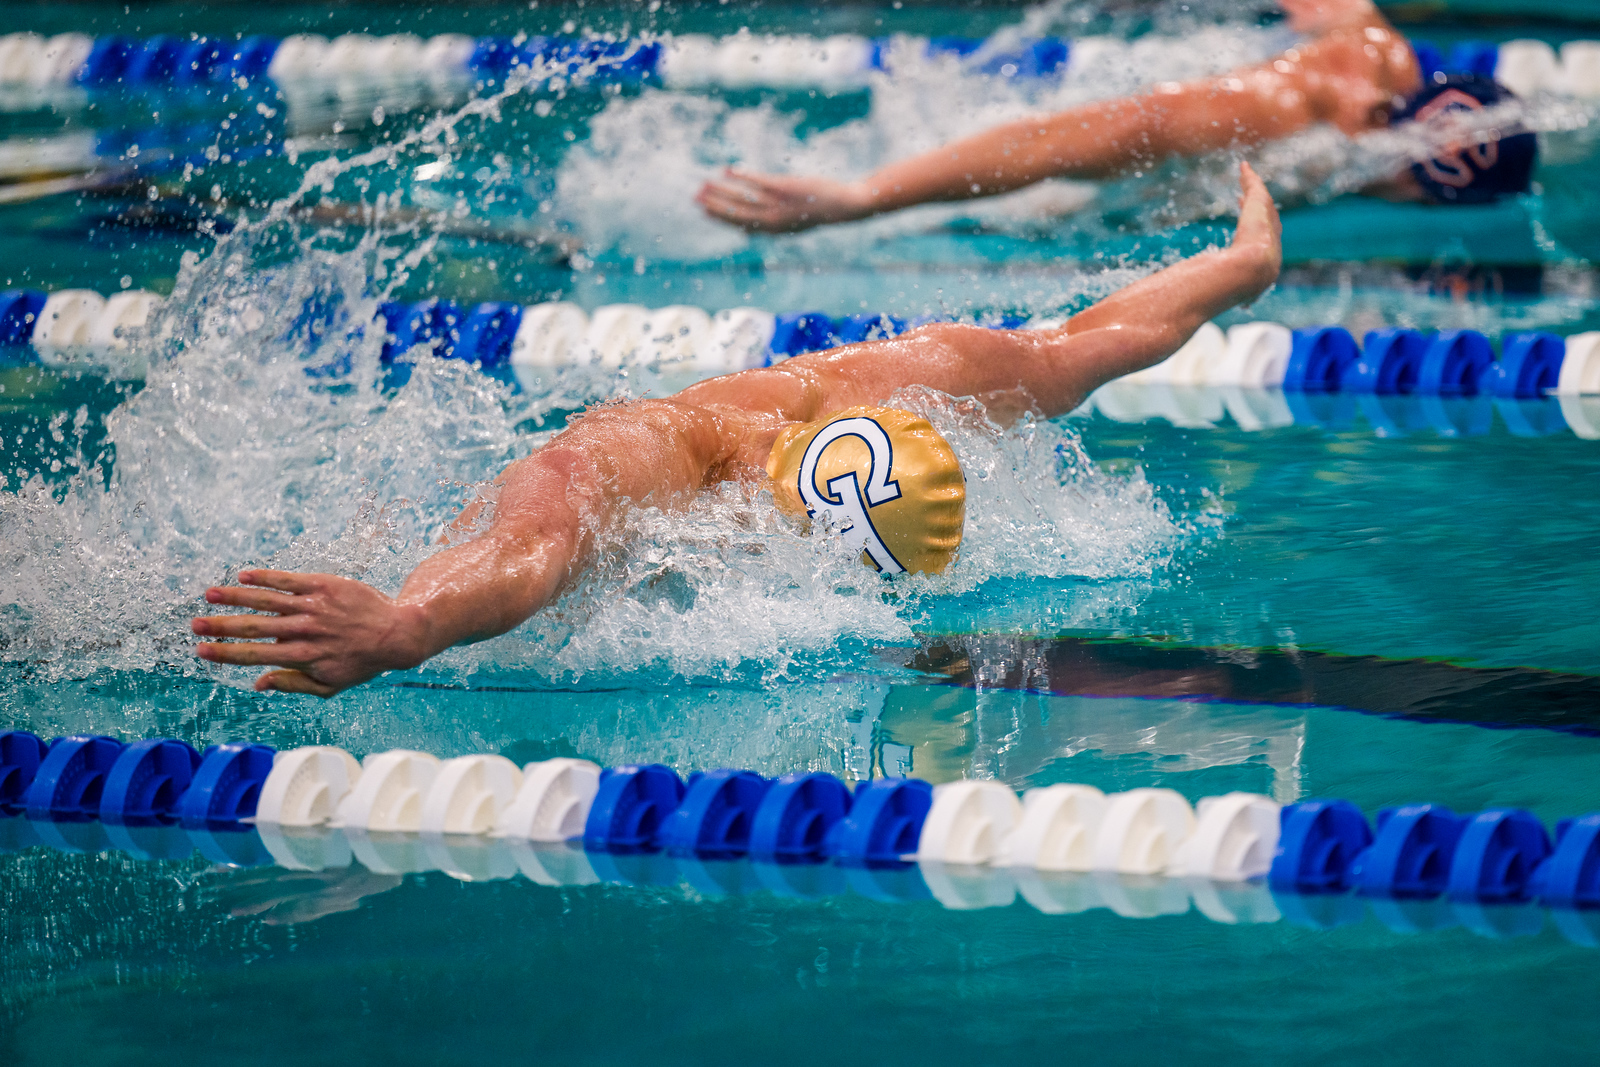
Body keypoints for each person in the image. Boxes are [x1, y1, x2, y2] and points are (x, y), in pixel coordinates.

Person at [191, 163, 1282, 697]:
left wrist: (1240, 268)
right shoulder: (656, 449)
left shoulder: (918, 382)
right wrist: (409, 624)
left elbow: (1090, 343)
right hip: (401, 573)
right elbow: (539, 541)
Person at [695, 0, 1537, 233]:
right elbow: (1054, 143)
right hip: (985, 159)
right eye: (1419, 195)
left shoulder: (1379, 47)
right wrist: (861, 198)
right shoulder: (1265, 111)